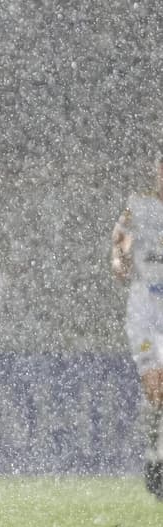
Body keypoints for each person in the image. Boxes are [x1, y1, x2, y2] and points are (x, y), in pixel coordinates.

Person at [112, 156, 163, 500]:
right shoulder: (140, 204)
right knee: (155, 387)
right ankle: (154, 448)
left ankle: (156, 458)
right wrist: (120, 260)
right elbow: (119, 241)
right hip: (145, 304)